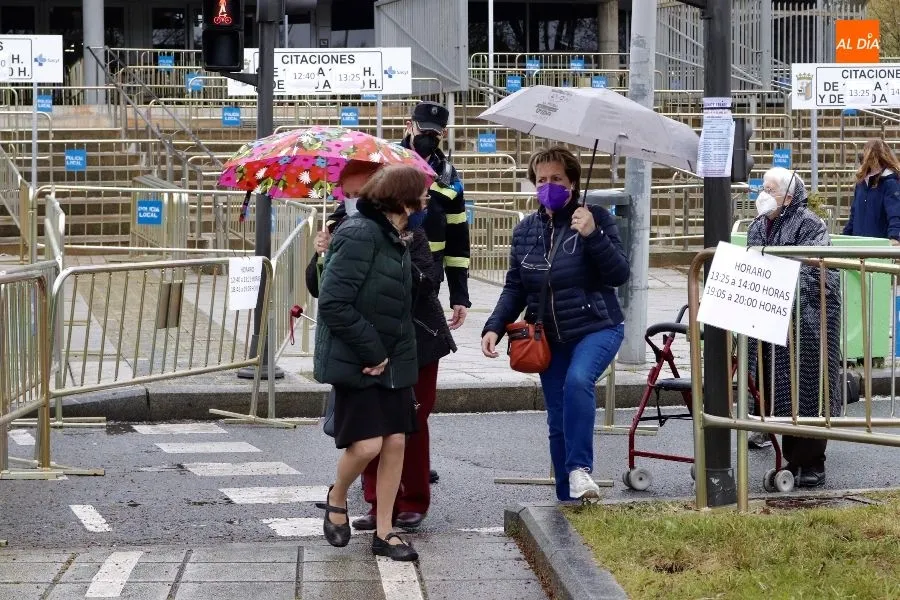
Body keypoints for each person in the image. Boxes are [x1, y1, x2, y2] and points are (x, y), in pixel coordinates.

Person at [480, 147, 630, 502]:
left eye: (557, 179)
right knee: (557, 415)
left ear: (573, 182)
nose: (548, 186)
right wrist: (494, 326)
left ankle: (580, 469)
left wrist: (594, 235)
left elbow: (619, 274)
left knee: (579, 381)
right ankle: (569, 496)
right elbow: (515, 287)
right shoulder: (525, 231)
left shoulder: (595, 218)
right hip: (549, 335)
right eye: (542, 180)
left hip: (597, 325)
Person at [313, 165, 429, 561]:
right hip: (360, 360)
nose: (426, 199)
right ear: (402, 199)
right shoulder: (361, 232)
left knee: (396, 440)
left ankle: (385, 532)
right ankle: (337, 494)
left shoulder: (394, 235)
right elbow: (332, 302)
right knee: (366, 445)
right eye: (422, 193)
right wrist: (372, 352)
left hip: (392, 358)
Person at [352, 208, 458, 532]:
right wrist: (321, 257)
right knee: (371, 424)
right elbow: (334, 288)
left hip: (419, 342)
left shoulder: (417, 237)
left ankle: (414, 500)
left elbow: (429, 283)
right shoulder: (358, 234)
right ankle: (378, 504)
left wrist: (398, 256)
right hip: (373, 343)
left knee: (412, 420)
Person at [747, 167, 841, 487]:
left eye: (770, 190)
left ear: (788, 196)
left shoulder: (810, 224)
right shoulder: (758, 226)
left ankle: (814, 462)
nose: (763, 194)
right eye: (762, 188)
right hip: (772, 323)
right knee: (779, 392)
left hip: (808, 321)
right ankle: (792, 460)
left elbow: (819, 271)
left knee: (809, 391)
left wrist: (781, 281)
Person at [401, 101, 471, 485]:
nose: (427, 136)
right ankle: (392, 463)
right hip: (393, 281)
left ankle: (414, 459)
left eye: (435, 132)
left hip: (429, 285)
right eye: (422, 128)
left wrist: (460, 295)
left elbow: (459, 239)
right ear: (409, 125)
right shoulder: (389, 163)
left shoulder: (448, 176)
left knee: (421, 387)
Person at [305, 160, 382, 296]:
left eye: (358, 194)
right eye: (347, 195)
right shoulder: (337, 225)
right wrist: (324, 254)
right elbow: (316, 288)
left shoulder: (399, 229)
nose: (352, 200)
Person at [843, 139, 900, 243]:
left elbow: (895, 213)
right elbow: (854, 214)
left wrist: (894, 237)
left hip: (879, 245)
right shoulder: (861, 183)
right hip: (858, 243)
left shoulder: (890, 182)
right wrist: (846, 235)